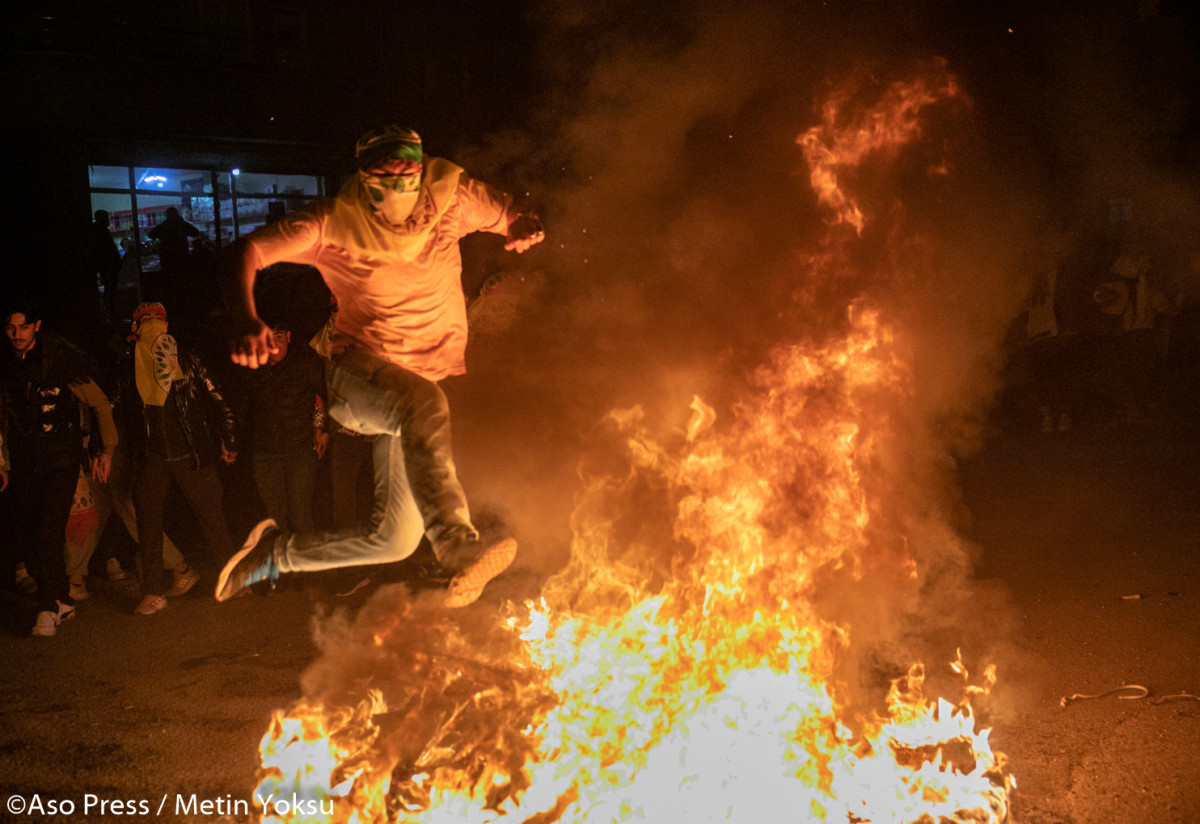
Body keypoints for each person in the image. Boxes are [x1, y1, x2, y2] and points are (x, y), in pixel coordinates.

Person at [216, 125, 544, 607]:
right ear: (363, 180)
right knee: (424, 402)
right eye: (380, 181)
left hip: (411, 397)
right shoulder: (334, 222)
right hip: (359, 378)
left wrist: (522, 223)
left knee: (394, 538)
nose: (394, 191)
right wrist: (246, 318)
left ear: (420, 172)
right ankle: (455, 544)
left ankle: (275, 554)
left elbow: (510, 211)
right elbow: (245, 253)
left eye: (405, 178)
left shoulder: (452, 199)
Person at [1, 297, 117, 636]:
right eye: (11, 327)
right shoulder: (6, 363)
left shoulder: (60, 360)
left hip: (61, 459)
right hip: (25, 461)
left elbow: (100, 404)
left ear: (36, 326)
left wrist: (106, 449)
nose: (16, 334)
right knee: (31, 533)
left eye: (23, 326)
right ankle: (62, 601)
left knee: (48, 533)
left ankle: (48, 608)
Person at [118, 302, 237, 615]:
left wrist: (229, 439)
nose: (153, 326)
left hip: (190, 451)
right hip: (152, 457)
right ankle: (153, 591)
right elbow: (118, 409)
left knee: (213, 519)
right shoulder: (129, 365)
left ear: (168, 326)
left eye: (158, 320)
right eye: (146, 321)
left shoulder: (187, 360)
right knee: (149, 526)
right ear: (135, 328)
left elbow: (218, 397)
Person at [245, 319, 328, 532]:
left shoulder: (305, 364)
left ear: (288, 337)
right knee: (274, 519)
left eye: (279, 337)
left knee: (300, 516)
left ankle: (308, 563)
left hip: (299, 451)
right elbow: (241, 406)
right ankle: (282, 563)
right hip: (265, 454)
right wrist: (231, 442)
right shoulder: (254, 369)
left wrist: (323, 430)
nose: (274, 345)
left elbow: (326, 395)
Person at [91, 210, 123, 321]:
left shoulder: (97, 229)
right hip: (107, 266)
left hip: (105, 265)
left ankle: (108, 314)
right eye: (107, 218)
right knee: (110, 290)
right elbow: (109, 250)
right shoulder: (101, 230)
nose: (108, 221)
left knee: (109, 290)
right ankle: (110, 314)